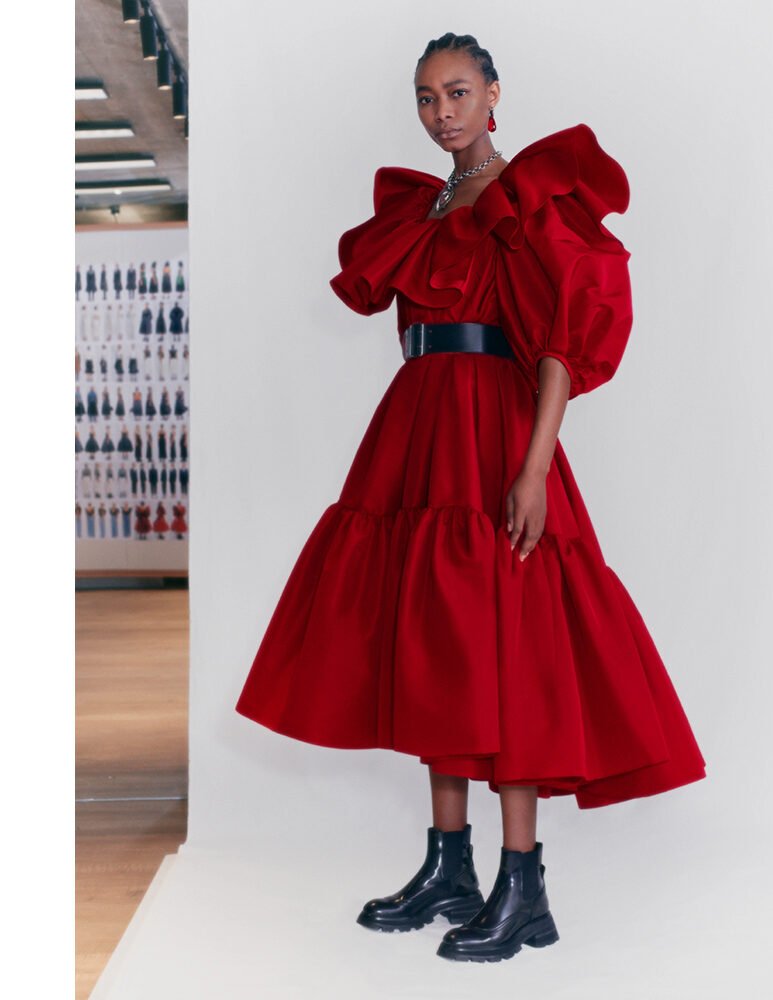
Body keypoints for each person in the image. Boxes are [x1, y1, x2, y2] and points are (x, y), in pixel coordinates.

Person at [235, 32, 706, 963]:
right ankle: (449, 865)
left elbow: (562, 337)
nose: (441, 112)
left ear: (494, 94)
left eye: (457, 93)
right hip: (417, 428)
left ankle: (521, 883)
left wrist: (534, 466)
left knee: (506, 639)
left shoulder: (526, 196)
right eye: (425, 97)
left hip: (493, 430)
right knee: (434, 637)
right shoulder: (425, 207)